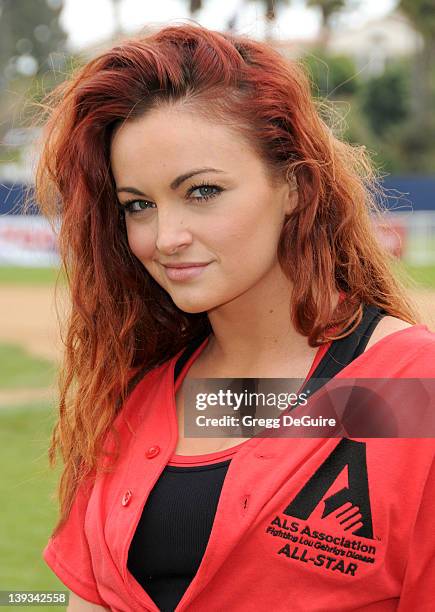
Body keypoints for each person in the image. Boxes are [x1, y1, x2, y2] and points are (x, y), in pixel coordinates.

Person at [36, 22, 435, 612]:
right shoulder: (145, 391)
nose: (165, 237)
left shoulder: (412, 390)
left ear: (295, 186)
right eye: (138, 205)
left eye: (201, 191)